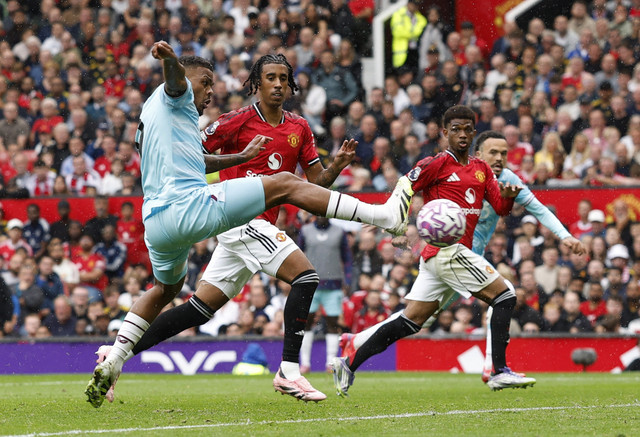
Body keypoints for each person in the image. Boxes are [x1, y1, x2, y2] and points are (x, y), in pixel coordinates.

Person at [85, 42, 412, 408]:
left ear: (290, 86)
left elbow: (314, 185)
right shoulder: (210, 109)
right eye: (270, 78)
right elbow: (179, 86)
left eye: (284, 79)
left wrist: (336, 166)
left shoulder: (299, 127)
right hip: (233, 218)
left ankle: (115, 356)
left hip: (164, 218)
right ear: (256, 83)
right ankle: (290, 367)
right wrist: (171, 62)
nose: (211, 92)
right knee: (304, 272)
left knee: (191, 303)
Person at [331, 105, 533, 396]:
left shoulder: (482, 169)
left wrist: (509, 198)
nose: (462, 134)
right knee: (505, 295)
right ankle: (499, 371)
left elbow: (500, 208)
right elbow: (406, 184)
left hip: (442, 258)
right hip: (446, 252)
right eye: (455, 129)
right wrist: (394, 219)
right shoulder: (435, 164)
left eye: (467, 129)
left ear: (474, 133)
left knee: (410, 322)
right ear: (444, 133)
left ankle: (349, 363)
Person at [299, 216, 352, 373]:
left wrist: (347, 280)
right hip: (309, 283)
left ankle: (330, 362)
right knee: (305, 323)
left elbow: (347, 258)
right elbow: (297, 254)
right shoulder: (305, 231)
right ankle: (305, 363)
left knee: (332, 324)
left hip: (333, 283)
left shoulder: (339, 232)